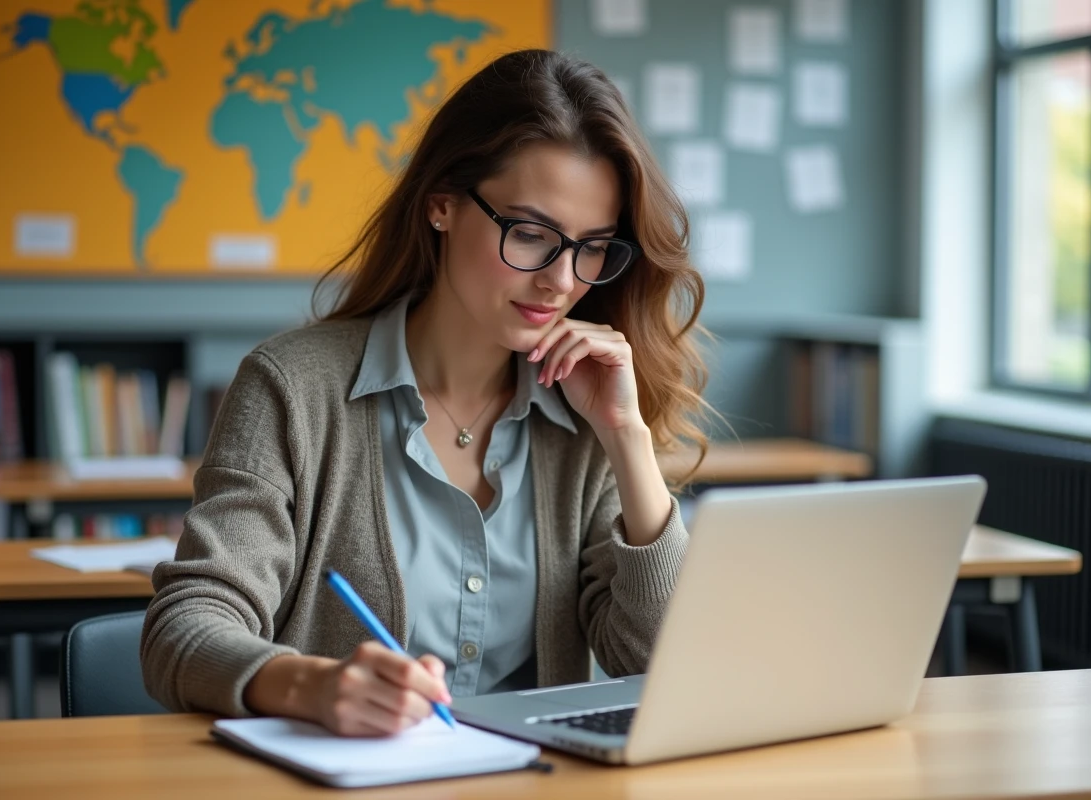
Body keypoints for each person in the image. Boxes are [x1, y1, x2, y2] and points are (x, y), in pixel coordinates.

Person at [141, 48, 709, 737]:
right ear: (442, 205)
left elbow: (657, 663)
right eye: (531, 235)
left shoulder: (585, 411)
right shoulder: (292, 387)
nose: (562, 280)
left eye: (592, 247)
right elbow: (185, 627)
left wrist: (627, 436)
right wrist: (311, 686)